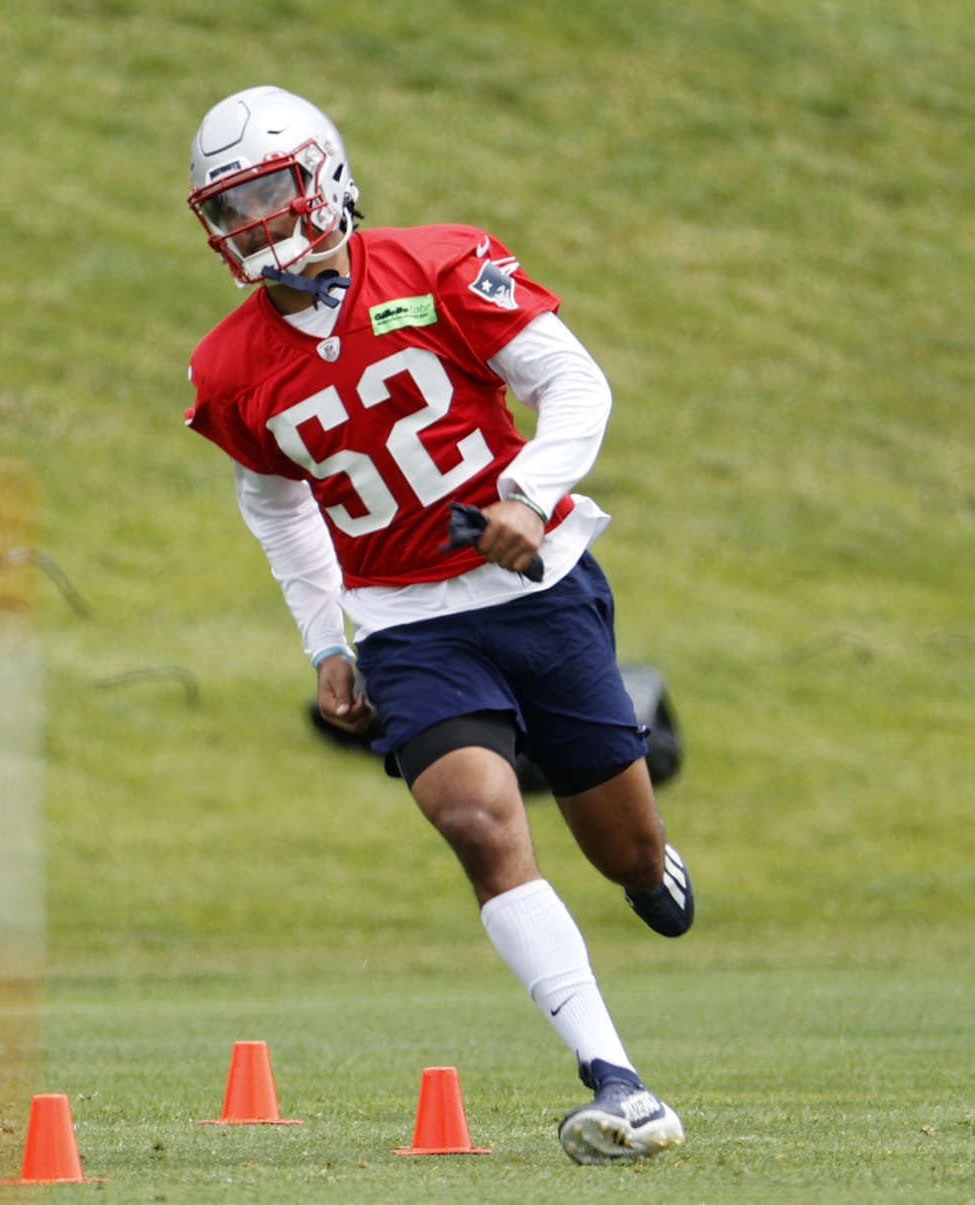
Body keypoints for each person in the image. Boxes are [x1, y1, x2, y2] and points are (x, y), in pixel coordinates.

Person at [181, 85, 694, 1164]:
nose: (254, 224)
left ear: (324, 177)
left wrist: (529, 492)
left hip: (535, 590)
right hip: (406, 619)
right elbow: (273, 500)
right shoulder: (231, 364)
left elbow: (574, 383)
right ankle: (620, 1078)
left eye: (270, 191)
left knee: (625, 850)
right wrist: (328, 637)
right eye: (230, 208)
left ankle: (651, 867)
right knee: (475, 821)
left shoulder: (439, 264)